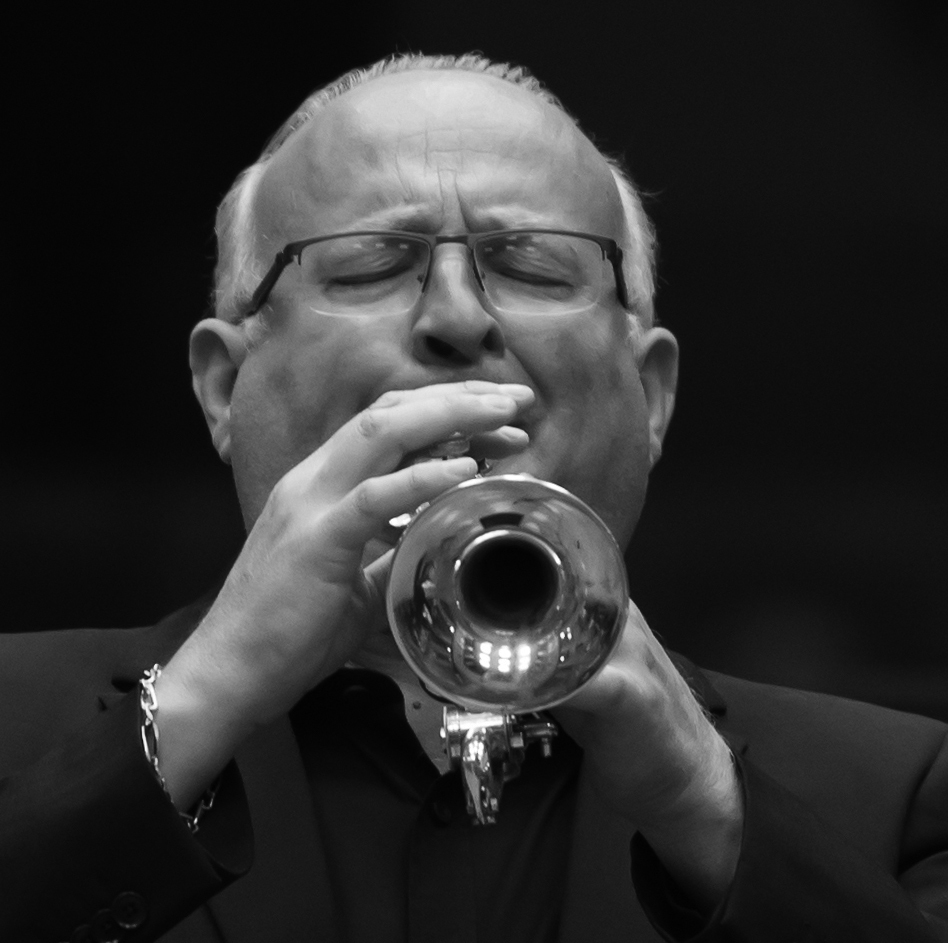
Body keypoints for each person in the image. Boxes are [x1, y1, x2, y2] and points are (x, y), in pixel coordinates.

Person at [1, 53, 945, 943]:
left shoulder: (899, 791)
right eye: (369, 265)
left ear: (650, 396)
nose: (457, 317)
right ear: (223, 388)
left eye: (533, 266)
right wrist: (197, 708)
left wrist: (701, 799)